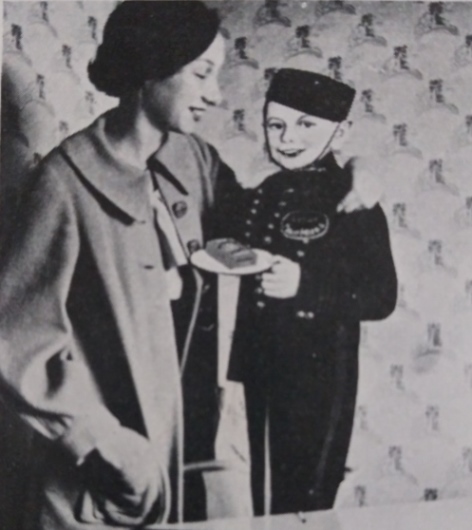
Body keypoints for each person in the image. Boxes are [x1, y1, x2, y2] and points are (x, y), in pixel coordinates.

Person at [0, 2, 383, 527]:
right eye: (202, 74)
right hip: (99, 482)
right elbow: (15, 339)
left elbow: (262, 220)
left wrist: (352, 169)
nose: (216, 95)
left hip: (176, 462)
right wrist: (103, 445)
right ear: (149, 68)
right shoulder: (63, 183)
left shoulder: (195, 160)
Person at [227, 68, 398, 516]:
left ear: (340, 132)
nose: (288, 138)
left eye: (306, 125)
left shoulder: (355, 197)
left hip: (319, 373)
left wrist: (305, 287)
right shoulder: (266, 192)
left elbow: (382, 296)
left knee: (307, 495)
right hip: (260, 365)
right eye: (276, 124)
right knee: (263, 492)